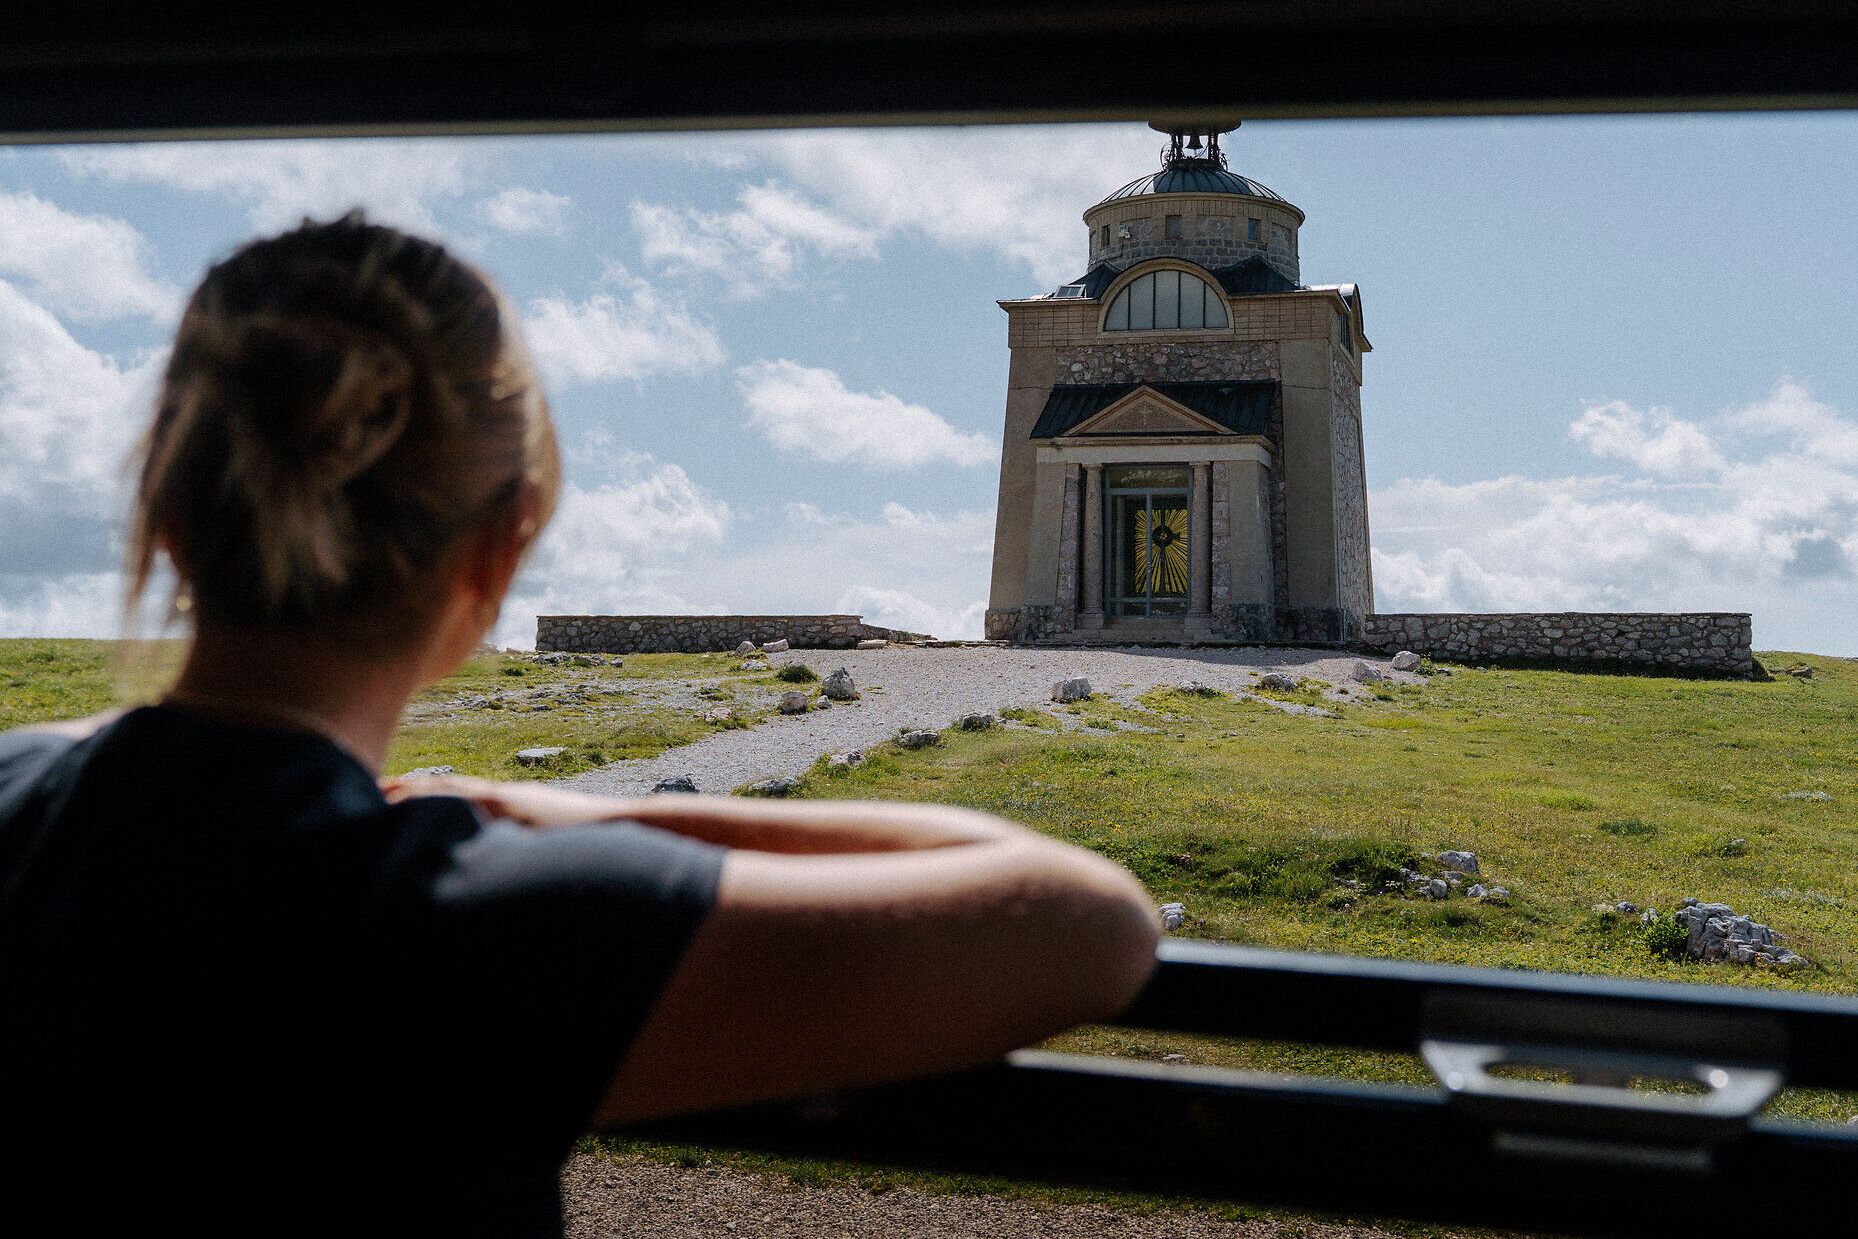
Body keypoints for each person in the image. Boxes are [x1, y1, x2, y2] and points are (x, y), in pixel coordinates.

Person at [0, 214, 1160, 1235]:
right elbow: (1091, 923)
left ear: (164, 508)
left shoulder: (22, 799)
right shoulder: (472, 920)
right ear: (499, 547)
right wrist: (536, 812)